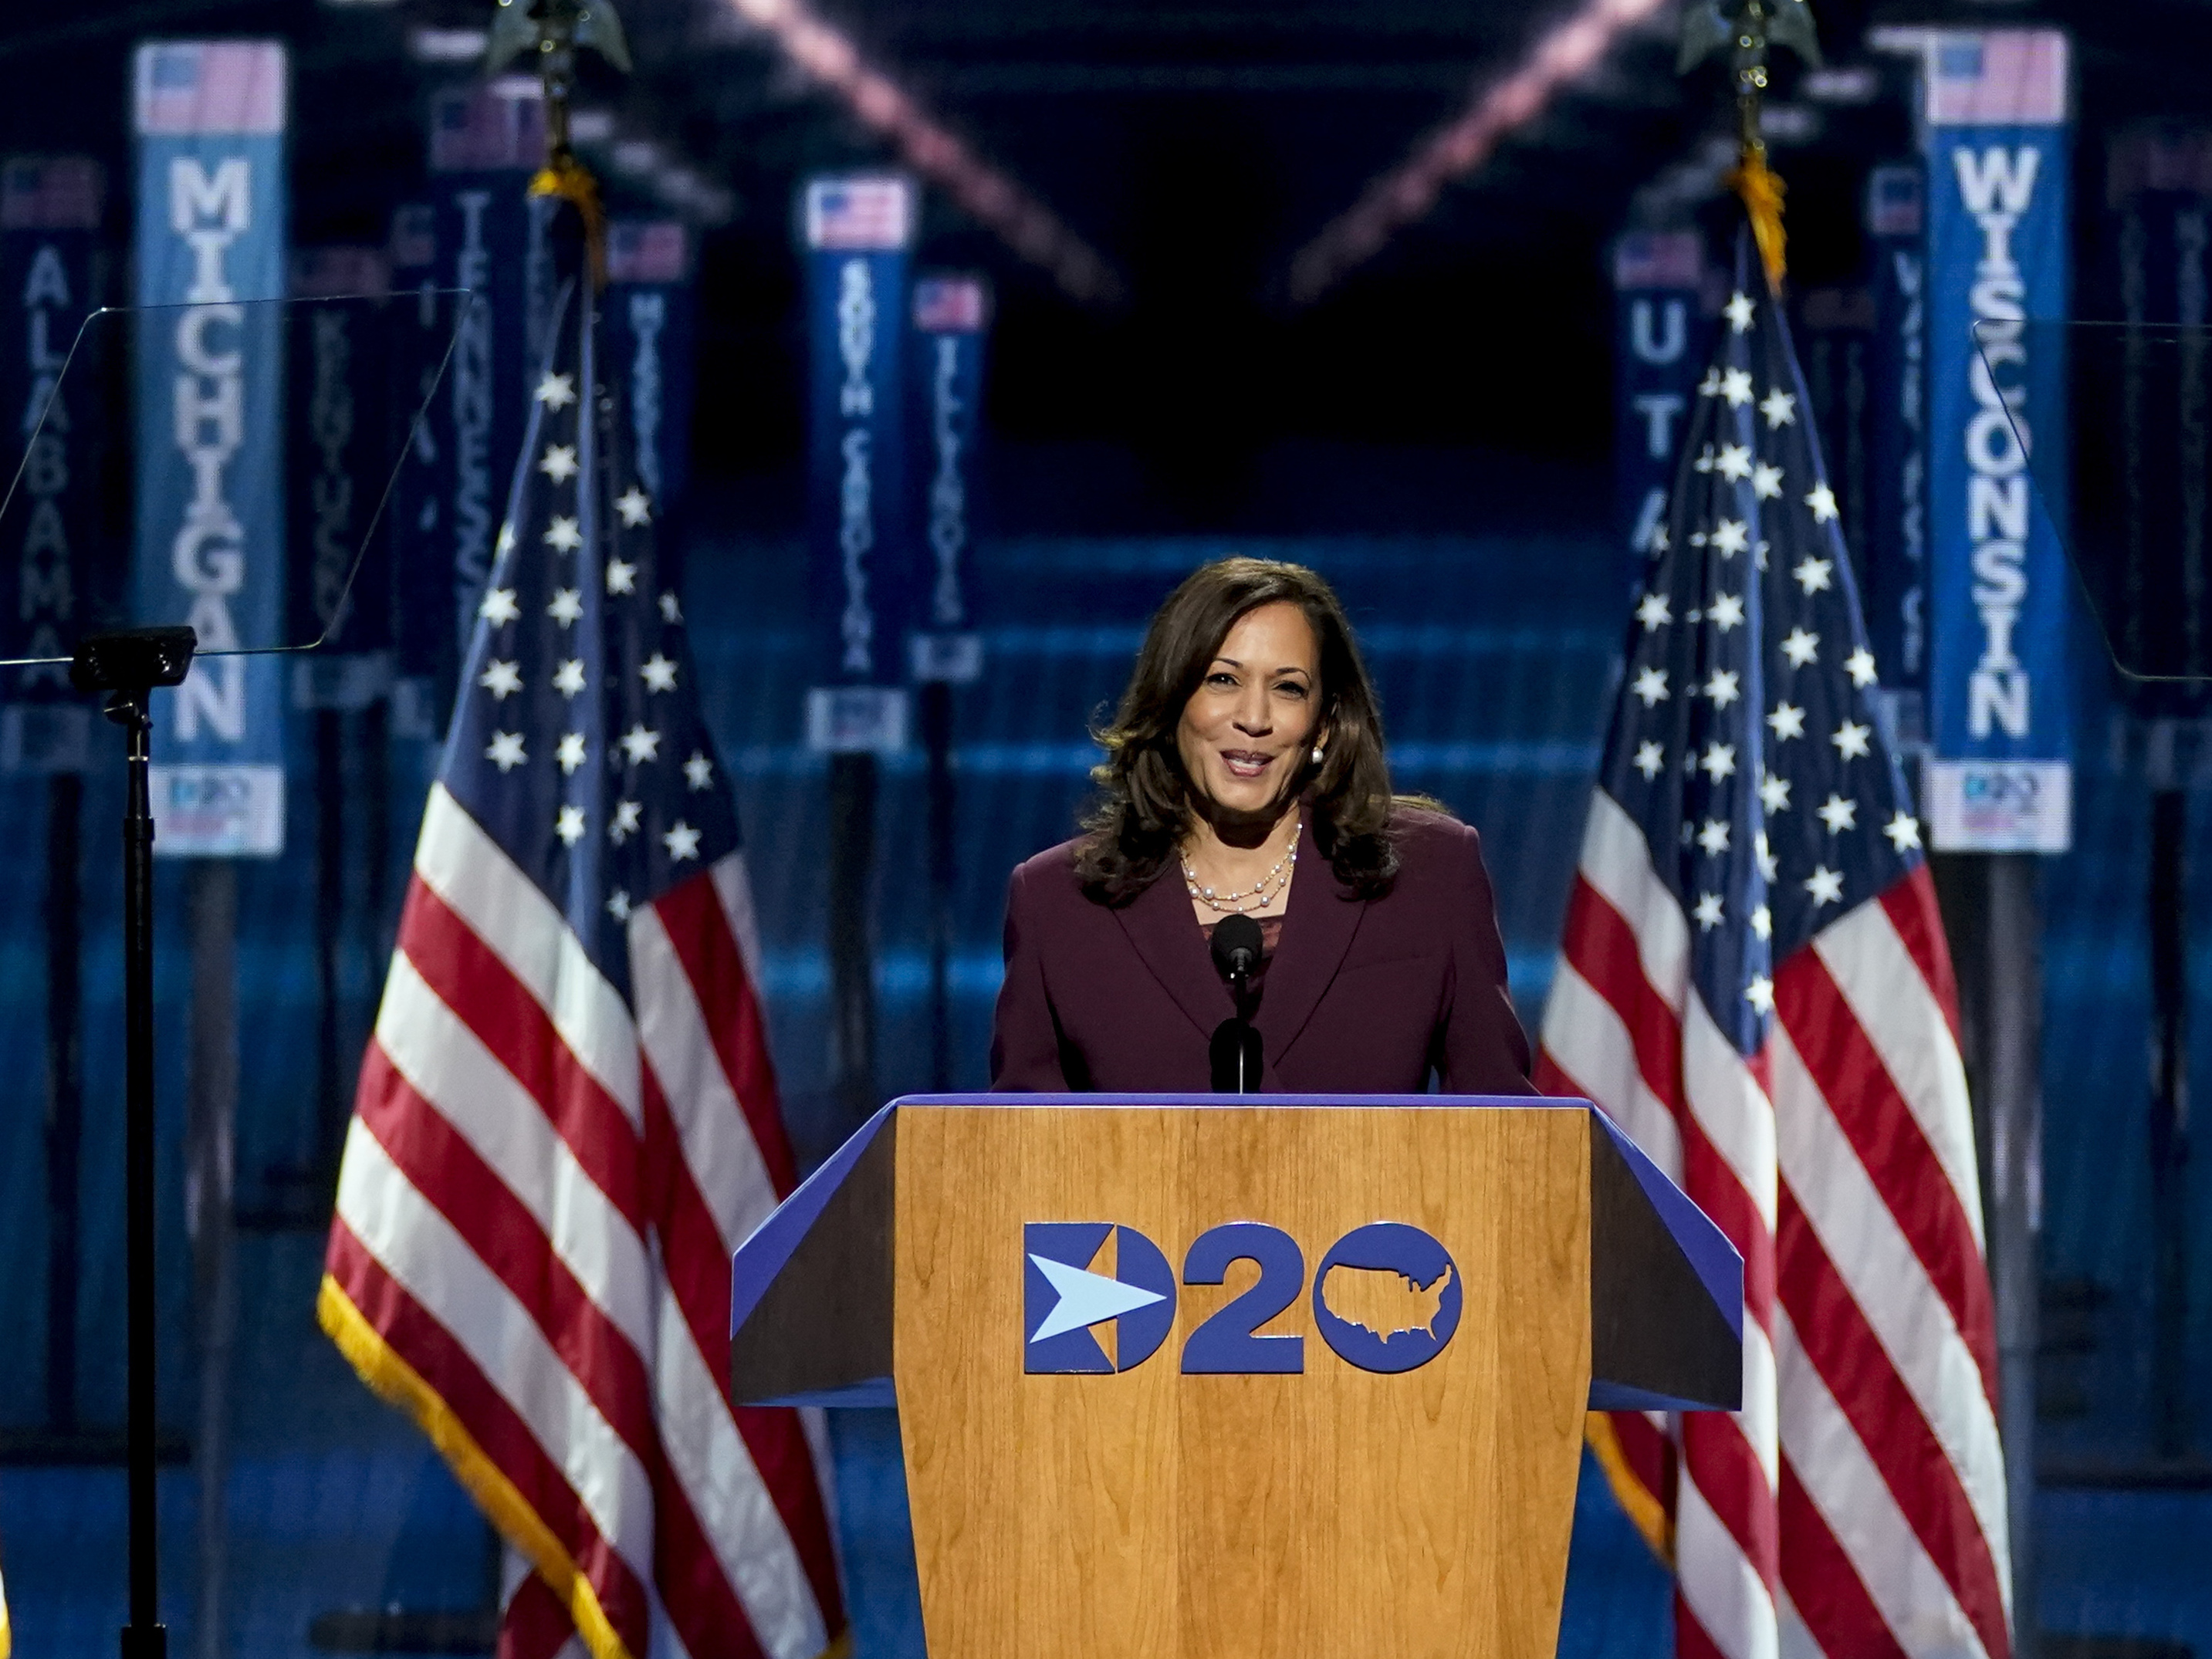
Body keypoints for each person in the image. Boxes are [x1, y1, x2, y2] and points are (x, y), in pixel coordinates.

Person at [989, 557, 1532, 1095]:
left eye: (1288, 688)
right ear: (1173, 699)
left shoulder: (1432, 873)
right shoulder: (1058, 903)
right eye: (1223, 680)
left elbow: (1505, 1131)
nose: (1254, 717)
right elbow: (1022, 1154)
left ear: (1323, 723)